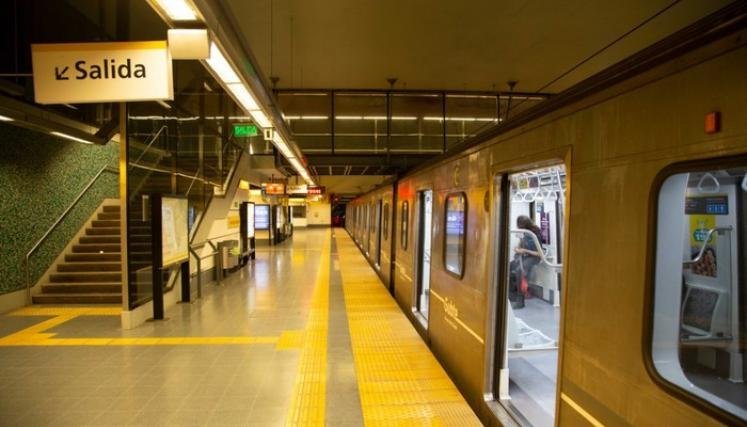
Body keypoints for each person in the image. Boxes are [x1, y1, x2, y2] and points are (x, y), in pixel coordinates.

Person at [509, 215, 543, 309]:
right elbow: (520, 244)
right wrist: (517, 248)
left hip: (534, 257)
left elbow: (539, 253)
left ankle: (520, 301)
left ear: (524, 225)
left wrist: (524, 251)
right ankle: (512, 295)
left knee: (519, 270)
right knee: (509, 267)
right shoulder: (524, 233)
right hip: (524, 256)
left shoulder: (535, 234)